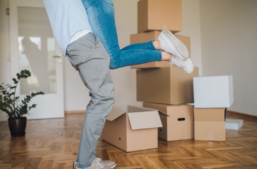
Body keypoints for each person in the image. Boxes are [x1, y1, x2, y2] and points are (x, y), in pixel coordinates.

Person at [43, 0, 193, 169]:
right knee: (111, 68)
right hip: (78, 39)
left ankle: (84, 162)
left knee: (104, 92)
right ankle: (162, 48)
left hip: (81, 34)